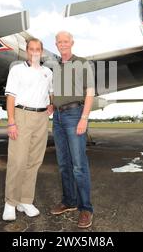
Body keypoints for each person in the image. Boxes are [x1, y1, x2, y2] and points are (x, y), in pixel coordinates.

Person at [2, 38, 54, 221]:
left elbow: (50, 93)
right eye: (31, 49)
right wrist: (11, 121)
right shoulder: (17, 70)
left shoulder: (48, 72)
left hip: (41, 118)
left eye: (37, 49)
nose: (34, 52)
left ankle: (25, 200)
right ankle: (10, 203)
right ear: (27, 51)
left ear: (41, 51)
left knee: (34, 161)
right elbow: (10, 97)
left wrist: (51, 105)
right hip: (22, 115)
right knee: (18, 161)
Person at [50, 30, 95, 229]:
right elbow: (55, 91)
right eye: (59, 41)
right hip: (58, 117)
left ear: (72, 42)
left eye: (66, 41)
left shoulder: (83, 63)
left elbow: (90, 92)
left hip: (75, 114)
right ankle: (69, 201)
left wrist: (84, 118)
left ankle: (86, 208)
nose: (63, 44)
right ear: (56, 44)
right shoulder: (55, 66)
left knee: (79, 165)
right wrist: (51, 106)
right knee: (63, 164)